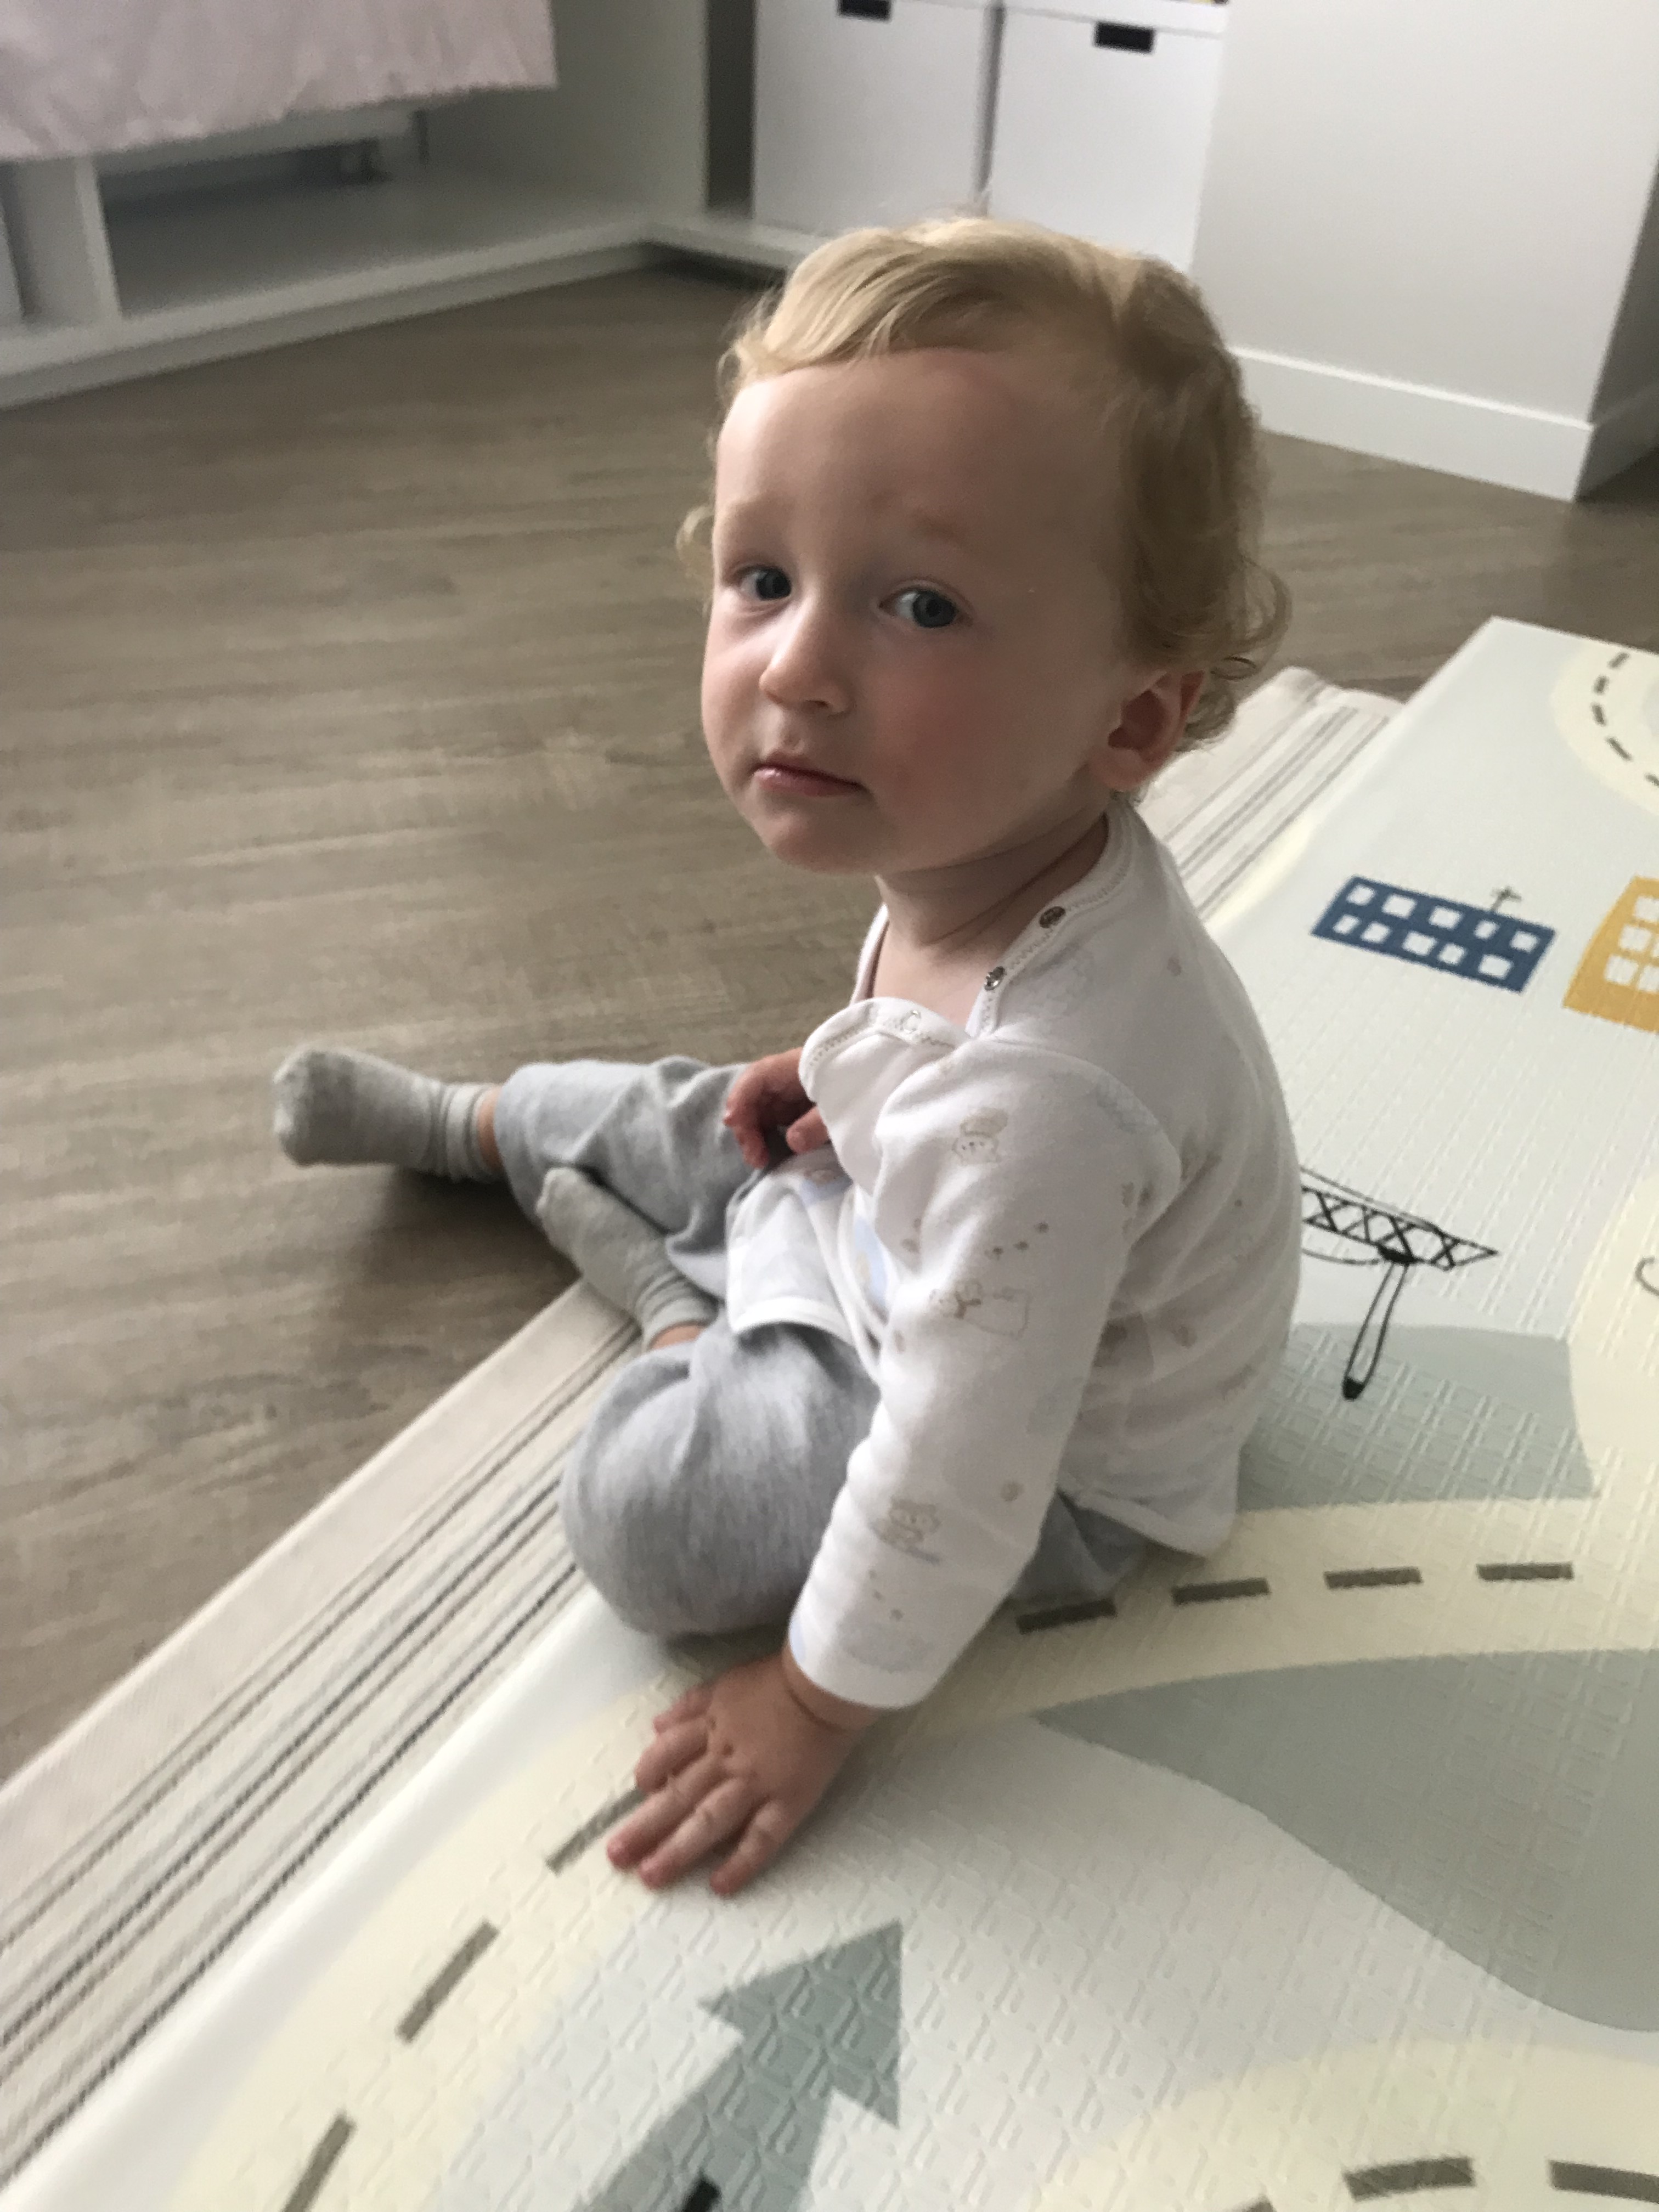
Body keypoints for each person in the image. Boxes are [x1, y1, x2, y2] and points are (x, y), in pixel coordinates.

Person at [272, 218, 1300, 1899]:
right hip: (936, 1239)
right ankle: (484, 1126)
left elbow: (958, 1473)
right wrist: (844, 1089)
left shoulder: (1053, 1099)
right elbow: (939, 1065)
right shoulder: (992, 852)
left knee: (644, 1525)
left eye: (922, 605)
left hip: (1045, 1465)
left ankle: (677, 1309)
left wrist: (814, 1705)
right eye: (762, 579)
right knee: (721, 1105)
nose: (799, 666)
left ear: (1129, 718)